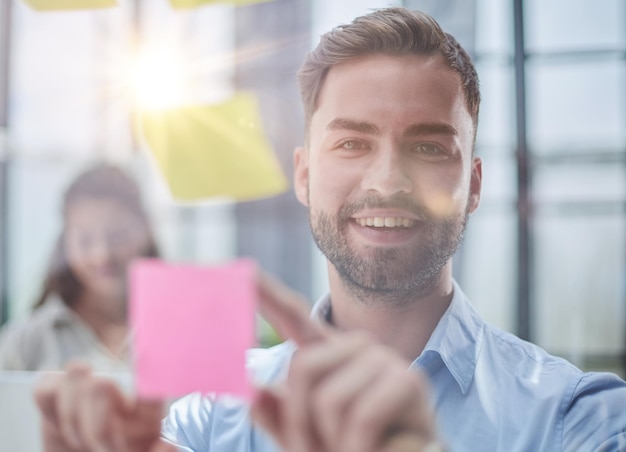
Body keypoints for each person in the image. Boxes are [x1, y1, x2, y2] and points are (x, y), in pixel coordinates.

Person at [33, 7, 626, 452]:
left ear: (473, 183)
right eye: (351, 142)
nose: (388, 180)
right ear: (305, 174)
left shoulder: (579, 418)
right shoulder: (212, 414)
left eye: (427, 145)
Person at [0, 164, 159, 371]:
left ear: (144, 234)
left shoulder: (179, 330)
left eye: (117, 236)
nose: (102, 255)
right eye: (85, 240)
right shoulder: (26, 342)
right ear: (65, 242)